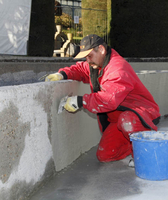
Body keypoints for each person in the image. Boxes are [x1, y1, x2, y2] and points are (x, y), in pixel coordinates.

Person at [45, 34, 161, 165]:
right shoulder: (97, 64)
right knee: (105, 155)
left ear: (101, 49)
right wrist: (62, 74)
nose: (87, 60)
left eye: (89, 56)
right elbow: (80, 69)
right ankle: (134, 144)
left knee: (127, 121)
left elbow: (108, 99)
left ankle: (145, 152)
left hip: (140, 114)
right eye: (86, 57)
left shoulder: (117, 68)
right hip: (118, 119)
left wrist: (80, 101)